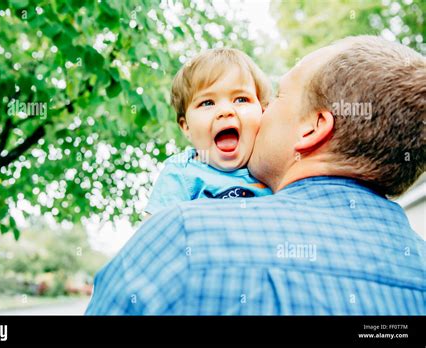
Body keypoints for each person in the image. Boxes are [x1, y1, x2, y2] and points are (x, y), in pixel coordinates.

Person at [86, 36, 425, 315]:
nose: (235, 112)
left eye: (275, 98)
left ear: (313, 128)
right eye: (207, 103)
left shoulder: (181, 238)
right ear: (185, 125)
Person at [145, 48, 272, 215]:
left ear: (263, 112)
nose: (225, 111)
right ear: (186, 127)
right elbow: (153, 233)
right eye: (207, 103)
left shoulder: (272, 165)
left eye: (241, 99)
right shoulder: (182, 172)